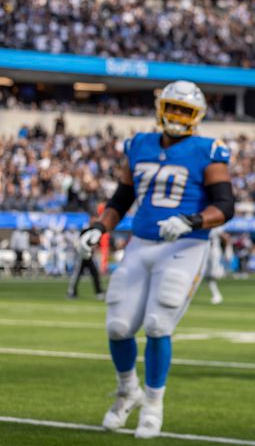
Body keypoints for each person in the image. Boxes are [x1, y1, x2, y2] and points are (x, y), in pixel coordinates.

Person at [76, 81, 234, 439]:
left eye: (185, 111)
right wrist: (99, 228)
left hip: (185, 245)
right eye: (173, 108)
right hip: (140, 244)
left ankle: (153, 403)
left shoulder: (209, 150)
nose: (177, 116)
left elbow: (225, 206)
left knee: (159, 324)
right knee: (117, 327)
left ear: (196, 117)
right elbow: (120, 200)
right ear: (161, 108)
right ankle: (126, 389)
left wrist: (191, 220)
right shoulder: (138, 145)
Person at [205, 226, 225, 305]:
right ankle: (216, 295)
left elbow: (225, 237)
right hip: (206, 252)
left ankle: (220, 270)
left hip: (214, 252)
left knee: (212, 275)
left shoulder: (216, 227)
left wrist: (228, 249)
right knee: (208, 276)